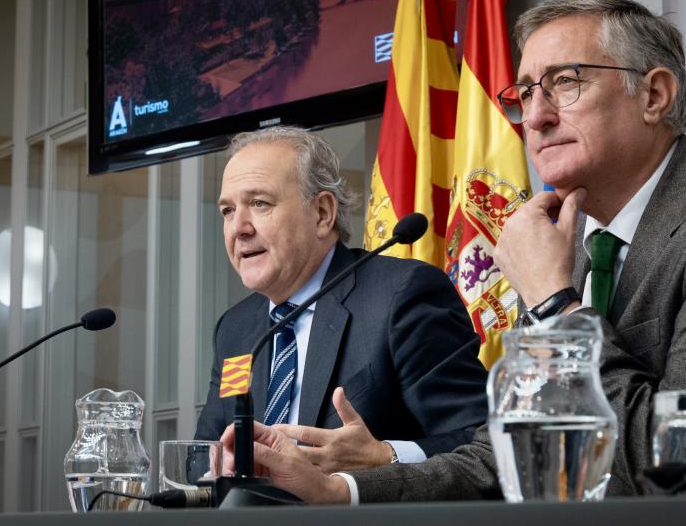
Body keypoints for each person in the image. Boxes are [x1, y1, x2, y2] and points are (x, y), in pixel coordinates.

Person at [239, 0, 686, 501]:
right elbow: (507, 456)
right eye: (524, 93)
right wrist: (341, 490)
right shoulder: (577, 239)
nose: (533, 118)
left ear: (654, 95)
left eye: (564, 83)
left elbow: (679, 467)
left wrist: (555, 302)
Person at [196, 126, 489, 472]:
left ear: (322, 213)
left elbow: (483, 442)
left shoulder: (400, 296)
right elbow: (202, 453)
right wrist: (219, 463)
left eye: (259, 203)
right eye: (228, 211)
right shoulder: (236, 329)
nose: (238, 228)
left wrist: (384, 455)